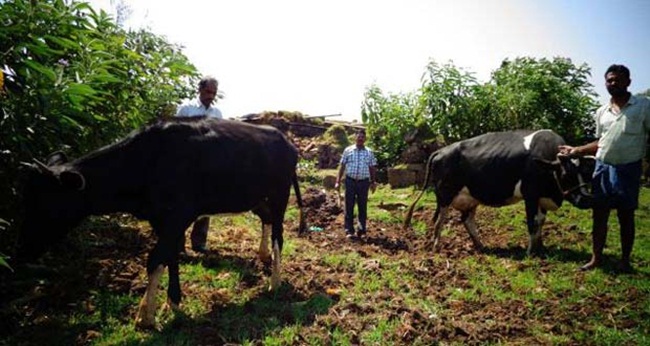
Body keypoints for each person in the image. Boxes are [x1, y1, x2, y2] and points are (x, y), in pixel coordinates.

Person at [559, 64, 650, 272]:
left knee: (625, 216)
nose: (613, 83)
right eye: (609, 80)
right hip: (602, 168)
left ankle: (625, 261)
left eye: (617, 80)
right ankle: (596, 258)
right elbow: (600, 141)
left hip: (629, 168)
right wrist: (576, 150)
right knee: (599, 214)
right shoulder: (602, 111)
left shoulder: (644, 105)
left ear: (628, 82)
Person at [176, 76, 223, 253]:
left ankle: (199, 242)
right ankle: (177, 243)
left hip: (207, 166)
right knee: (181, 204)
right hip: (186, 165)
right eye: (208, 92)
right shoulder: (186, 110)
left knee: (205, 203)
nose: (211, 96)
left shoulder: (217, 114)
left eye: (214, 93)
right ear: (200, 90)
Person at [335, 129, 378, 239]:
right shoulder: (348, 150)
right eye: (358, 137)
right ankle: (349, 230)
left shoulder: (369, 152)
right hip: (350, 181)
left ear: (365, 139)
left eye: (362, 137)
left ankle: (361, 229)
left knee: (362, 206)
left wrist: (373, 182)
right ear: (355, 138)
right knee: (349, 205)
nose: (360, 139)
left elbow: (372, 168)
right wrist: (337, 181)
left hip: (364, 183)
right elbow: (342, 166)